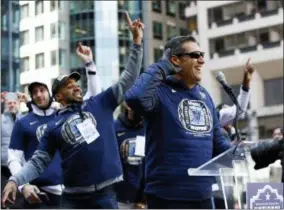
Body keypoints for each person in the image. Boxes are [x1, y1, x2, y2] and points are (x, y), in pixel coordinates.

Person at [2, 13, 144, 209]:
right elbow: (37, 163)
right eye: (69, 85)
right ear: (58, 97)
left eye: (77, 84)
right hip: (72, 200)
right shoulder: (52, 127)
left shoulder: (99, 103)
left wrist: (137, 42)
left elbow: (128, 78)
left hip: (106, 196)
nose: (77, 87)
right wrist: (14, 181)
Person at [125, 35, 232, 209]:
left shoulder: (205, 96)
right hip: (167, 198)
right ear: (175, 60)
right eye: (196, 55)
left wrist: (241, 153)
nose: (202, 60)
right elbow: (134, 98)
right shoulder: (159, 91)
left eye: (202, 55)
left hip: (203, 197)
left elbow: (218, 142)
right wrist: (165, 65)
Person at [6, 43, 101, 209]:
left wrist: (90, 64)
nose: (38, 95)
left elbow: (94, 97)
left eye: (42, 90)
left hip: (71, 193)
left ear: (51, 93)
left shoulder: (64, 115)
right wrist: (23, 185)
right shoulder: (23, 122)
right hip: (38, 194)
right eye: (34, 92)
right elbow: (14, 159)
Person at [114, 102, 146, 209]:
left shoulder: (149, 128)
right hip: (119, 197)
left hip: (144, 197)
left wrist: (143, 198)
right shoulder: (114, 127)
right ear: (127, 105)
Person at [1, 92, 25, 209]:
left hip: (20, 166)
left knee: (19, 199)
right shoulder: (1, 120)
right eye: (9, 103)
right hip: (3, 168)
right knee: (4, 199)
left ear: (19, 104)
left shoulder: (25, 119)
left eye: (14, 102)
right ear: (5, 104)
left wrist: (29, 101)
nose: (11, 105)